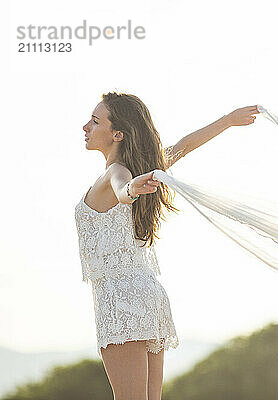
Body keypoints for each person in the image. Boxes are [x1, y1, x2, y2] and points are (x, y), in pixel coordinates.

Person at [75, 91, 259, 400]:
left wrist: (133, 189)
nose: (85, 127)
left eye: (95, 121)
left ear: (117, 134)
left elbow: (124, 189)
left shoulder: (116, 173)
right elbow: (183, 147)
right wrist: (228, 120)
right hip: (147, 293)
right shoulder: (142, 166)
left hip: (121, 299)